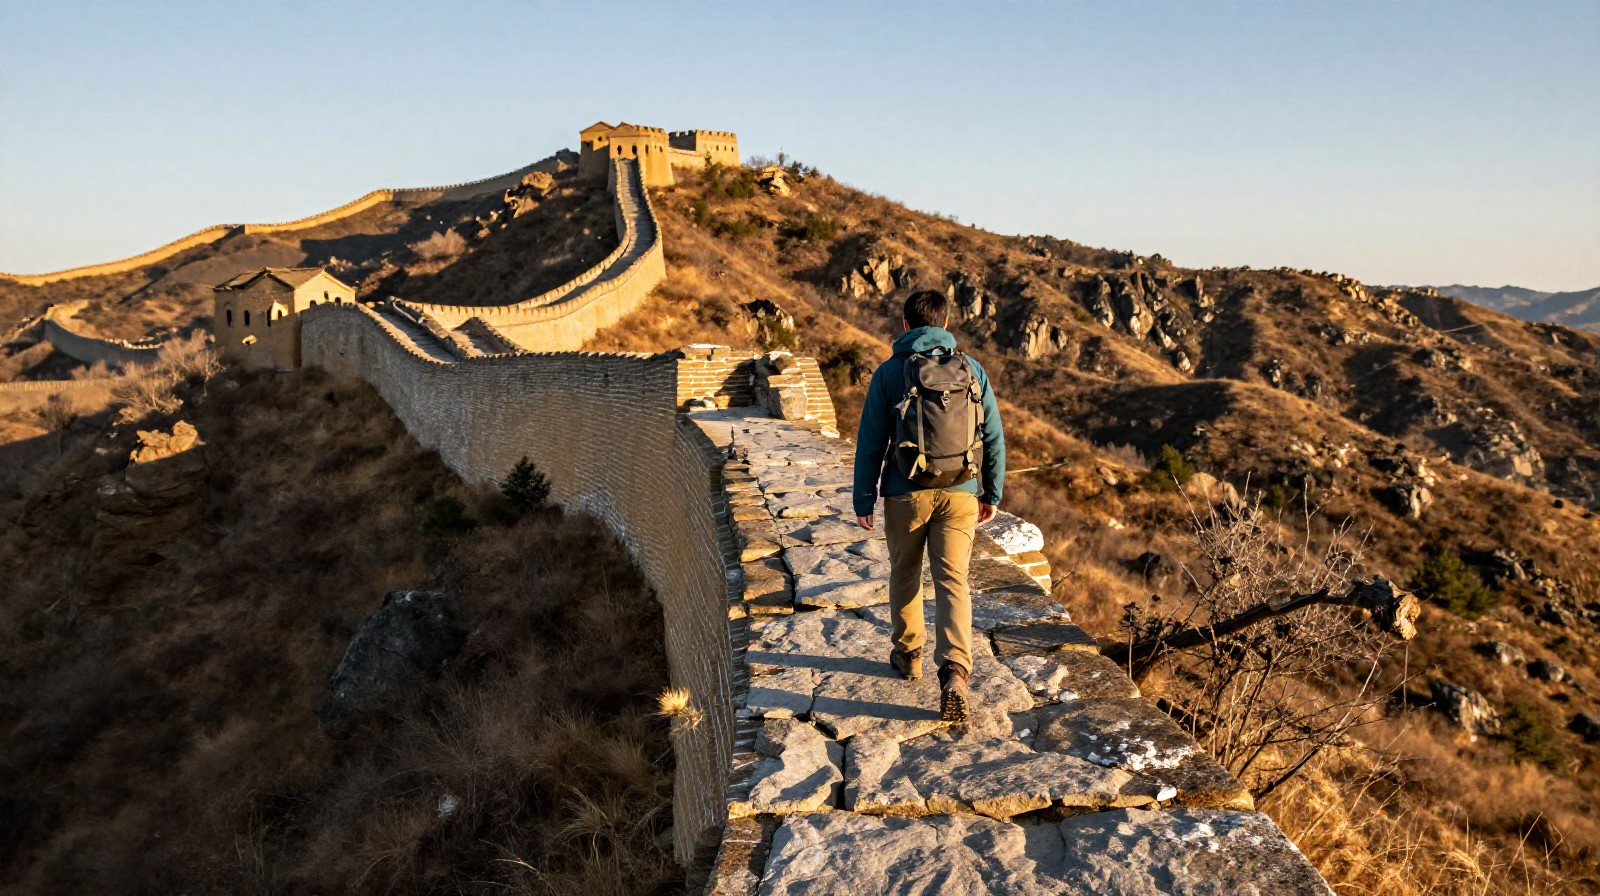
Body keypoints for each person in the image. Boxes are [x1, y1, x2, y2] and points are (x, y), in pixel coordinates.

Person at [853, 289, 1005, 728]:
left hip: (905, 492)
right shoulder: (972, 371)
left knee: (904, 572)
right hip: (961, 490)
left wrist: (864, 497)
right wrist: (990, 493)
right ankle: (955, 671)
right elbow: (993, 437)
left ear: (905, 326)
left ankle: (909, 654)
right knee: (953, 579)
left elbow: (871, 441)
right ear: (945, 323)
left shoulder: (889, 373)